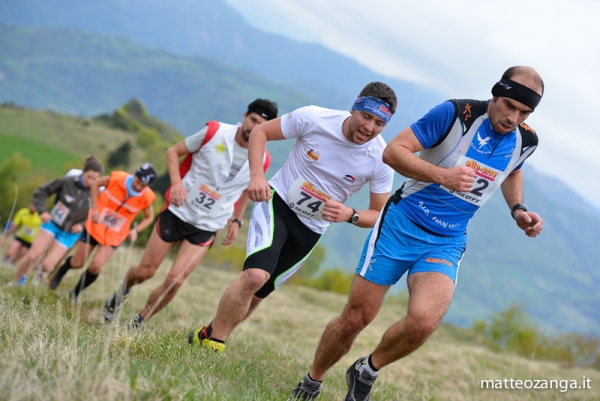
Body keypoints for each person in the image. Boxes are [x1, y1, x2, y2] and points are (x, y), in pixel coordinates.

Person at [288, 66, 545, 401]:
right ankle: (313, 380)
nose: (514, 117)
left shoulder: (527, 139)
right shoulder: (456, 114)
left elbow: (512, 171)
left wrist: (518, 210)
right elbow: (393, 151)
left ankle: (366, 370)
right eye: (509, 106)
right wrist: (443, 176)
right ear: (496, 93)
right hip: (400, 224)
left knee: (424, 322)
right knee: (356, 318)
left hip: (447, 239)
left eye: (524, 112)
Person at [188, 82, 398, 354]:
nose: (370, 127)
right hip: (277, 204)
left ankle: (209, 332)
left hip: (311, 229)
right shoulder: (314, 118)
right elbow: (260, 132)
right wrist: (256, 176)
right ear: (354, 107)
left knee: (257, 295)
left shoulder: (380, 159)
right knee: (254, 276)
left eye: (379, 123)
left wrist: (351, 214)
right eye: (366, 116)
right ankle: (213, 346)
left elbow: (378, 214)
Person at [102, 99, 279, 327]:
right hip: (178, 210)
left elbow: (248, 188)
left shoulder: (262, 158)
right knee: (145, 272)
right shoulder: (214, 132)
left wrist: (236, 219)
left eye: (261, 125)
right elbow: (173, 152)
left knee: (175, 281)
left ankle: (138, 321)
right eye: (253, 120)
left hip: (208, 223)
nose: (254, 127)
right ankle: (122, 290)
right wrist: (176, 183)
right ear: (245, 115)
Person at [48, 164, 157, 302]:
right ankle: (61, 271)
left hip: (115, 235)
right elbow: (96, 184)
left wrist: (136, 230)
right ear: (134, 175)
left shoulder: (147, 197)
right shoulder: (117, 178)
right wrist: (94, 208)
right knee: (78, 262)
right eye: (138, 182)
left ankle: (75, 293)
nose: (138, 187)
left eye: (143, 186)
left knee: (96, 266)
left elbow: (149, 217)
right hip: (94, 225)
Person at [9, 156, 103, 287]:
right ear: (83, 170)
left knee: (48, 265)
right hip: (53, 223)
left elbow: (96, 214)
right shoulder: (67, 182)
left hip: (70, 233)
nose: (90, 181)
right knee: (33, 255)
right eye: (88, 177)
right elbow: (41, 192)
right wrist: (43, 211)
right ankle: (13, 282)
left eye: (94, 179)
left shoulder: (96, 193)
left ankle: (35, 282)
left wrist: (82, 225)